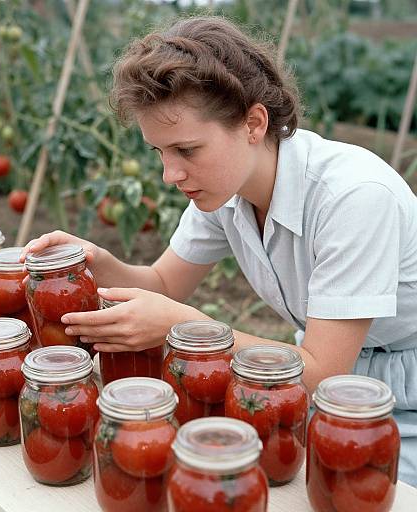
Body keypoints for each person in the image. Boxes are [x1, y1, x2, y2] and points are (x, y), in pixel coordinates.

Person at [21, 16, 417, 485]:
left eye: (186, 149)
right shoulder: (227, 193)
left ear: (254, 122)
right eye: (159, 152)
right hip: (320, 388)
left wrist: (184, 326)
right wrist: (100, 263)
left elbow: (323, 371)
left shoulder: (353, 197)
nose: (170, 174)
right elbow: (165, 284)